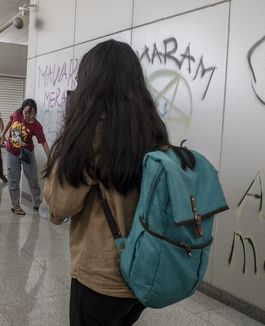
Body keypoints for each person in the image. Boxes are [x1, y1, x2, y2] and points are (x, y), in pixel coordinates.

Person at [43, 39, 169, 325]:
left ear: (90, 82)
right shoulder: (152, 129)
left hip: (100, 276)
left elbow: (58, 208)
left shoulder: (90, 134)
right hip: (142, 272)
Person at [0, 99, 50, 216]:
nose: (28, 115)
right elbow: (9, 122)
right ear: (22, 109)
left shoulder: (37, 126)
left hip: (27, 153)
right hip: (12, 151)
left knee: (33, 179)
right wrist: (2, 135)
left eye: (31, 113)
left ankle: (37, 203)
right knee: (14, 179)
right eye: (26, 112)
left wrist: (50, 157)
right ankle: (16, 206)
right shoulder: (17, 114)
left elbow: (43, 142)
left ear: (35, 112)